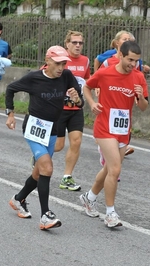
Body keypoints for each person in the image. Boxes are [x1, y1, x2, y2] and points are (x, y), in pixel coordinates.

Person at [6, 45, 83, 230]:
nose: (61, 67)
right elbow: (10, 89)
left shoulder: (66, 76)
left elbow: (79, 103)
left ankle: (18, 199)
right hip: (34, 128)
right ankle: (45, 215)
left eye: (64, 63)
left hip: (52, 129)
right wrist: (10, 113)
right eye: (57, 63)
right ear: (47, 61)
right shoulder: (34, 78)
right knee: (47, 168)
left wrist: (76, 98)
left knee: (39, 172)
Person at [79, 41, 149, 227]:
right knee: (115, 170)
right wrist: (92, 103)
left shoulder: (139, 77)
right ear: (120, 55)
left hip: (123, 129)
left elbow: (143, 107)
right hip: (104, 127)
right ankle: (110, 213)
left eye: (136, 61)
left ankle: (89, 197)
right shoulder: (105, 72)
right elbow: (86, 86)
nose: (133, 64)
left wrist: (140, 96)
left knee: (109, 169)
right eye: (130, 60)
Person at [54, 30, 90, 191]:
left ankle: (66, 177)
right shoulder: (60, 59)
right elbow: (45, 73)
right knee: (59, 145)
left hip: (76, 107)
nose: (77, 45)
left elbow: (88, 79)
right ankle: (39, 154)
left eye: (80, 43)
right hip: (59, 108)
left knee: (76, 141)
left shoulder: (85, 61)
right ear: (67, 44)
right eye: (74, 42)